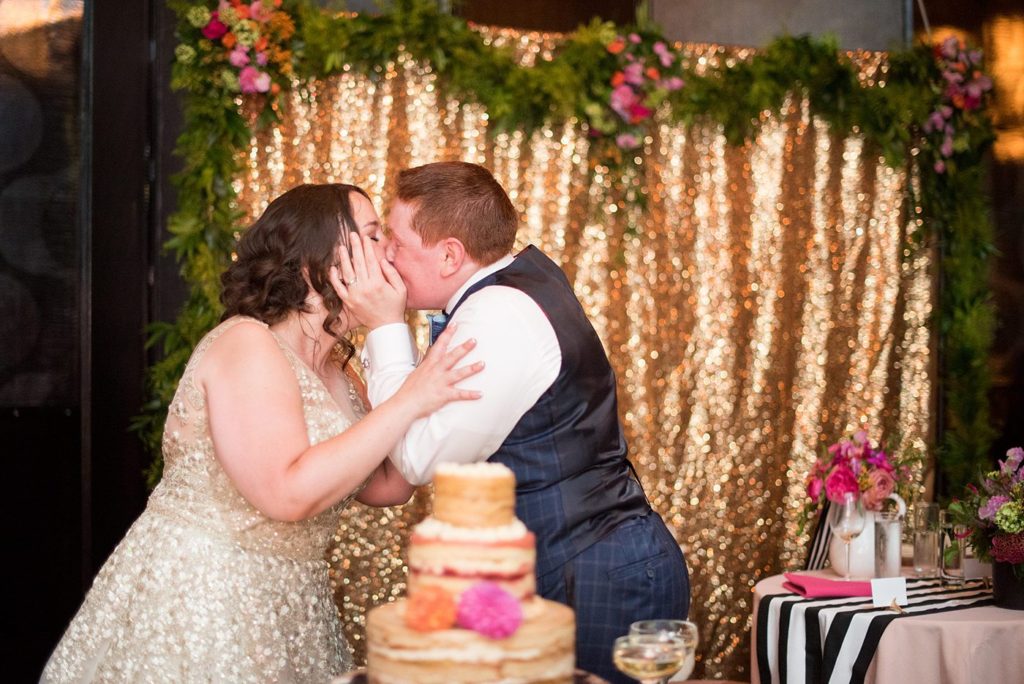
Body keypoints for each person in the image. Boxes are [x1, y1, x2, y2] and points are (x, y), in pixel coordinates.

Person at [41, 184, 483, 683]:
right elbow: (286, 493)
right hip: (208, 597)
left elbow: (390, 485)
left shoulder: (340, 368)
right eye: (374, 235)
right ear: (316, 258)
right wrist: (410, 399)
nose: (390, 253)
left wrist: (390, 336)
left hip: (294, 607)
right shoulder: (247, 344)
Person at [337, 161, 690, 683]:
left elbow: (416, 458)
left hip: (598, 575)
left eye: (395, 239)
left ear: (450, 254)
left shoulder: (498, 315)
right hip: (588, 564)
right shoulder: (510, 288)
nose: (384, 254)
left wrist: (385, 327)